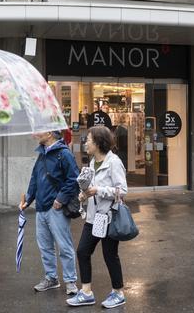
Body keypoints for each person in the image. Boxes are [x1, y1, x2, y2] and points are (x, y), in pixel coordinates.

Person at [66, 126, 128, 309]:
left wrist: (98, 190)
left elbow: (122, 191)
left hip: (109, 217)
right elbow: (91, 188)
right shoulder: (93, 163)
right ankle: (86, 292)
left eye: (89, 140)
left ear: (99, 143)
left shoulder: (114, 162)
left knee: (110, 255)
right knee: (83, 251)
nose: (85, 143)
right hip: (93, 218)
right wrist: (85, 195)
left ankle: (118, 293)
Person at [20, 130, 80, 295]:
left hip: (56, 208)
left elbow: (74, 178)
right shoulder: (42, 154)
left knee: (64, 246)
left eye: (40, 131)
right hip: (41, 207)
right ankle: (51, 278)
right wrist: (28, 200)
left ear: (50, 134)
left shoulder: (63, 154)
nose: (36, 134)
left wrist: (60, 199)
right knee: (45, 246)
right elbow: (35, 179)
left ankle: (70, 281)